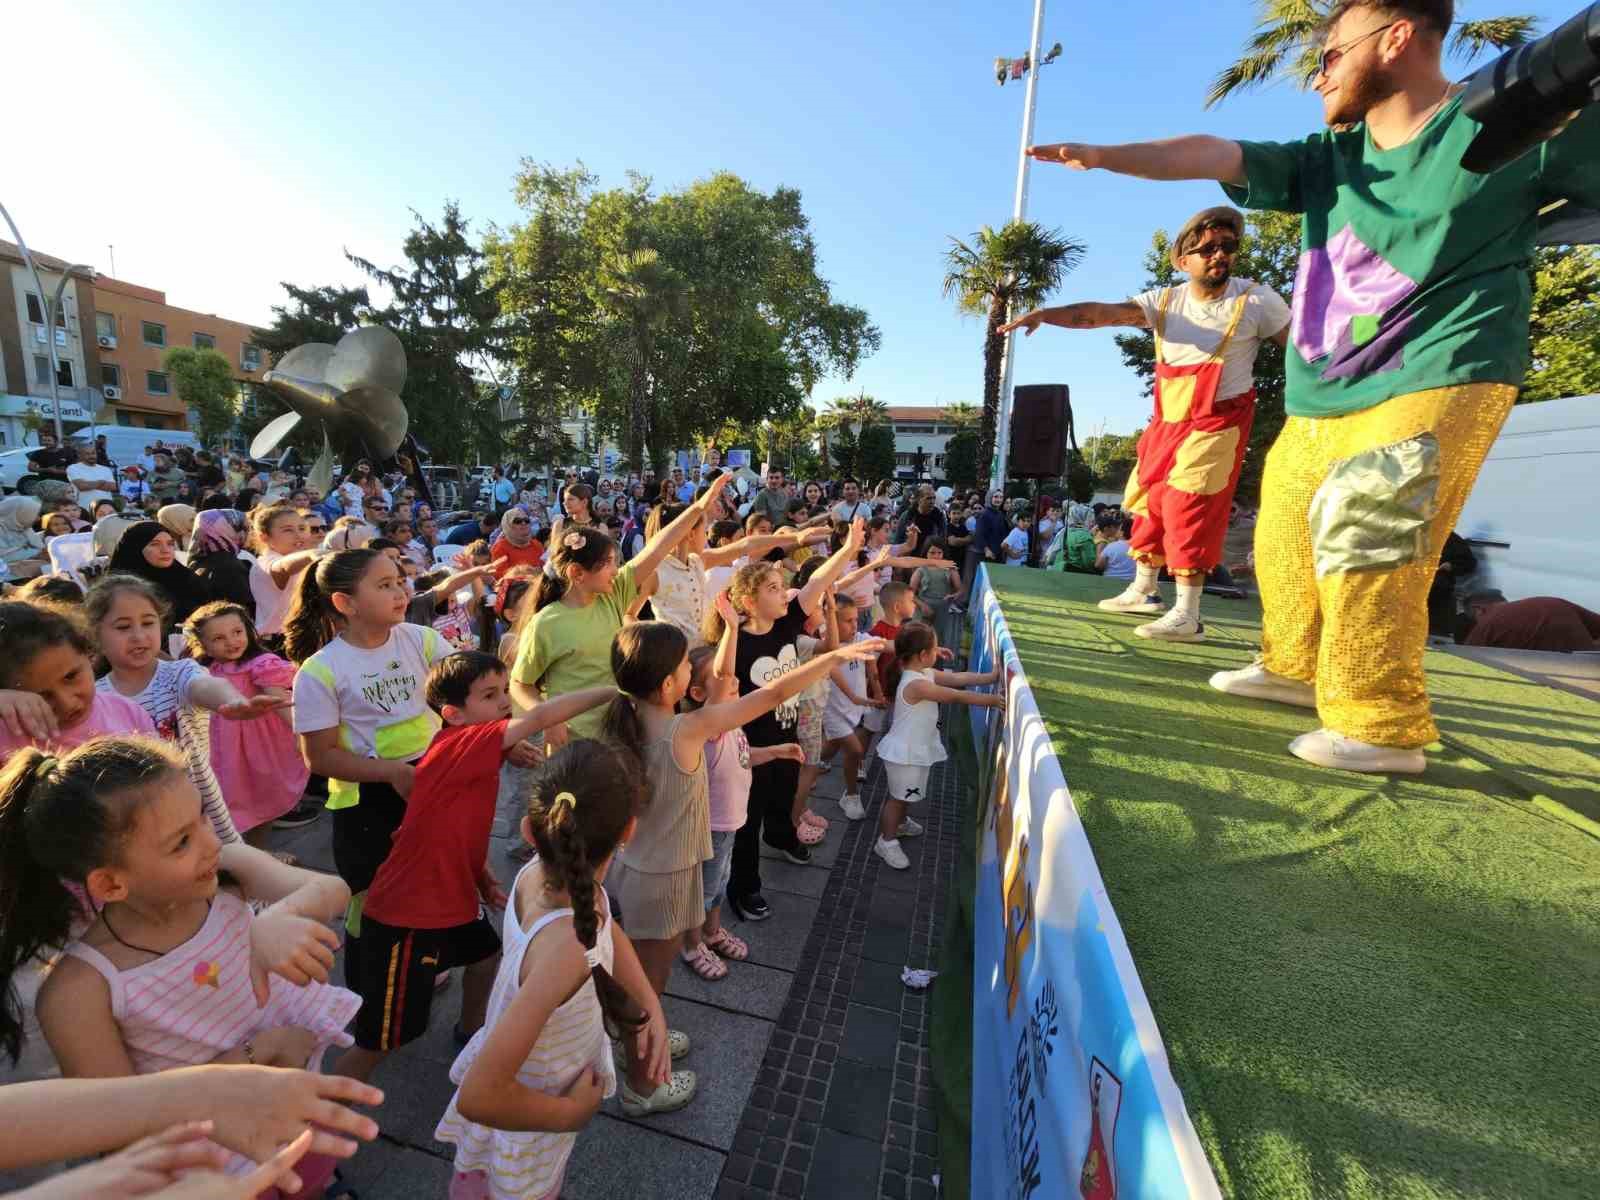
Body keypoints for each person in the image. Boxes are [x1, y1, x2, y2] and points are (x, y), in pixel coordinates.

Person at [1028, 0, 1598, 771]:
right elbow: (1211, 153)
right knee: (1287, 531)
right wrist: (1103, 154)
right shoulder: (1327, 158)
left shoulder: (1511, 127)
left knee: (1368, 526)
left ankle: (1380, 722)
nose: (1318, 73)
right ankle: (1294, 670)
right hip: (1326, 392)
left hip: (1442, 366)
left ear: (1397, 38)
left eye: (1331, 54)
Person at [1, 738, 359, 1197]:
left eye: (203, 816)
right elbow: (122, 1130)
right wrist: (259, 1053)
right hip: (214, 1178)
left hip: (299, 1111)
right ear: (110, 883)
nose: (212, 843)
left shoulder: (227, 876)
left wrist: (277, 918)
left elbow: (333, 889)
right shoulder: (79, 991)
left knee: (316, 1173)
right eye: (181, 842)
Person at [601, 618, 881, 1110]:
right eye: (687, 663)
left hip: (647, 870)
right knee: (650, 984)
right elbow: (768, 696)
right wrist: (831, 658)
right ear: (671, 684)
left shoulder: (629, 721)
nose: (694, 668)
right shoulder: (686, 730)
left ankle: (636, 1041)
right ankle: (642, 1085)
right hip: (664, 879)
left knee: (643, 977)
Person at [1003, 208, 1289, 638]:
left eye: (1228, 247)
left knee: (1186, 503)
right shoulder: (1165, 301)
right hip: (1168, 421)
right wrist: (1046, 314)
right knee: (1149, 501)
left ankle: (1189, 613)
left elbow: (1303, 347)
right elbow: (1098, 314)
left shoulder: (1257, 300)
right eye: (1207, 248)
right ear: (1182, 259)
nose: (1219, 255)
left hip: (1218, 422)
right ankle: (1144, 590)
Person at [335, 653, 614, 1084]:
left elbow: (449, 827)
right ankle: (321, 1110)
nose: (504, 702)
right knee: (384, 1038)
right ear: (453, 714)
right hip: (408, 915)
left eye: (504, 692)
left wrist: (479, 874)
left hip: (449, 897)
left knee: (485, 956)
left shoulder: (469, 745)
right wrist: (617, 690)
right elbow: (539, 715)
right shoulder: (459, 744)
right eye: (490, 695)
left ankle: (471, 1036)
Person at [435, 741, 670, 1200]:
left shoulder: (541, 881)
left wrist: (650, 1003)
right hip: (533, 1109)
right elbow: (480, 1095)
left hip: (532, 1089)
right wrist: (571, 1115)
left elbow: (606, 931)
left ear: (530, 829)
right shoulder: (567, 946)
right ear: (630, 832)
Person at [702, 518, 869, 920]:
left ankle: (781, 835)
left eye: (782, 585)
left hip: (786, 737)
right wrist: (729, 631)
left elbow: (815, 585)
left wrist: (847, 552)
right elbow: (720, 684)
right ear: (747, 601)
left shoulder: (786, 623)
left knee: (782, 799)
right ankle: (746, 888)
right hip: (749, 749)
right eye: (773, 588)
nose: (784, 593)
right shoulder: (734, 641)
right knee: (746, 824)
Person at [509, 474, 733, 747]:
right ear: (577, 573)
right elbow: (520, 684)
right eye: (608, 564)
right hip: (575, 747)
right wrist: (546, 717)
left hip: (620, 735)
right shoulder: (546, 622)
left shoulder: (613, 596)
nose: (616, 571)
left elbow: (658, 546)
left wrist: (699, 507)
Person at [872, 623, 1004, 869]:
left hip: (913, 750)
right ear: (923, 655)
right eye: (934, 649)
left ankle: (899, 824)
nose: (938, 652)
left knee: (906, 794)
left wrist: (991, 676)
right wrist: (991, 700)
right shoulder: (917, 684)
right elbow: (955, 695)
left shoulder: (925, 673)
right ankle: (886, 840)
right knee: (897, 799)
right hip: (904, 754)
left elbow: (957, 678)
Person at [185, 600, 308, 843]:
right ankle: (235, 856)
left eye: (237, 632)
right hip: (222, 750)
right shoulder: (204, 670)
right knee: (225, 803)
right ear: (204, 645)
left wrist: (301, 733)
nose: (231, 642)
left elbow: (278, 699)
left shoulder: (260, 664)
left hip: (259, 748)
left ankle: (257, 851)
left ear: (248, 631)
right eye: (219, 638)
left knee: (263, 798)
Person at [0, 600, 156, 760]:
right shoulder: (9, 734)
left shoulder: (127, 712)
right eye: (42, 696)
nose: (66, 703)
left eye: (71, 676)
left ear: (89, 656)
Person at [820, 592, 885, 821]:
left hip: (853, 709)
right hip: (832, 709)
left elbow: (872, 667)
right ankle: (850, 795)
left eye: (856, 619)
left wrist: (877, 692)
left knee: (831, 747)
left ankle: (813, 765)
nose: (854, 625)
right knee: (855, 750)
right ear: (830, 622)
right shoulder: (822, 644)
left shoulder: (860, 639)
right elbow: (831, 667)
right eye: (848, 621)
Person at [107, 520, 215, 630]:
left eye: (170, 544)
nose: (165, 550)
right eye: (155, 544)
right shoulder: (120, 589)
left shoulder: (186, 578)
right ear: (135, 548)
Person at [249, 504, 321, 645]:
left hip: (304, 636)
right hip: (279, 642)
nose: (298, 535)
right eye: (288, 530)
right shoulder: (265, 562)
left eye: (302, 528)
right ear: (264, 537)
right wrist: (311, 554)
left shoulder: (303, 559)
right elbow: (282, 567)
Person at [1461, 592, 1600, 653]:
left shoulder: (1486, 624)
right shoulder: (1550, 601)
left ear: (1478, 609)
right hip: (1585, 668)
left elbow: (1467, 658)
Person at [490, 506, 545, 578]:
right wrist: (529, 573)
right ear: (508, 525)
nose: (523, 523)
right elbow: (501, 577)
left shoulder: (536, 545)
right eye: (517, 521)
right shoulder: (500, 548)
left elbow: (544, 570)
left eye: (526, 520)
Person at [0, 495, 46, 582]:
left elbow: (39, 547)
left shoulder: (23, 527)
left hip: (29, 572)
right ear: (20, 513)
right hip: (8, 580)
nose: (38, 518)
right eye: (33, 514)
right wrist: (35, 555)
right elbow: (4, 559)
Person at [66, 440, 117, 509]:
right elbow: (82, 486)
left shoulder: (105, 469)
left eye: (93, 453)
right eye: (87, 454)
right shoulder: (73, 468)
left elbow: (112, 487)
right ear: (79, 455)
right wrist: (101, 482)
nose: (91, 456)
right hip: (84, 508)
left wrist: (89, 484)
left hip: (107, 508)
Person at [1095, 516, 1137, 581]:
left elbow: (1098, 565)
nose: (1116, 530)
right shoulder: (1141, 548)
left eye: (1118, 528)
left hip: (1110, 580)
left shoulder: (1111, 546)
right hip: (1132, 582)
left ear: (1122, 532)